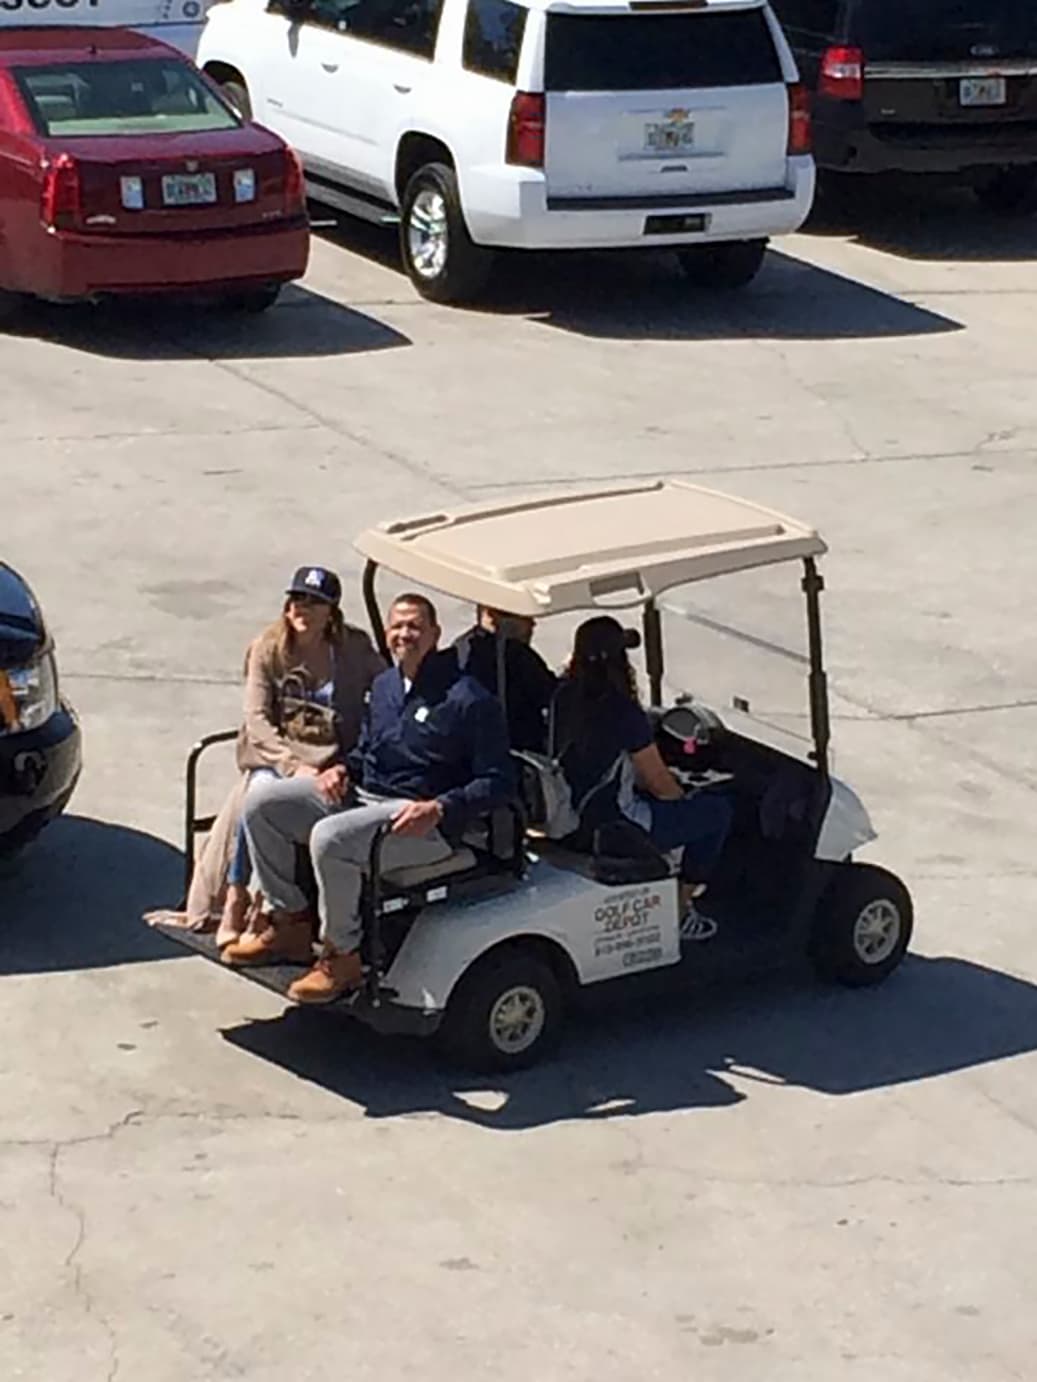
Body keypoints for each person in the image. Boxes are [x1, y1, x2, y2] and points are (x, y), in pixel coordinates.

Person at [224, 592, 516, 1002]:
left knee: (330, 838)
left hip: (423, 820)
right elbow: (366, 751)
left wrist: (441, 807)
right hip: (365, 798)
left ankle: (342, 955)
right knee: (262, 805)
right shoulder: (385, 687)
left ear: (435, 633)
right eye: (397, 626)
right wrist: (343, 769)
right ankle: (288, 921)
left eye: (415, 626)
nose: (404, 634)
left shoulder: (468, 698)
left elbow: (499, 780)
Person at [145, 566, 384, 949]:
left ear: (331, 612)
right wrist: (291, 764)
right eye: (296, 599)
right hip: (278, 756)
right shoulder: (269, 648)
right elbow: (256, 719)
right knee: (259, 796)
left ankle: (272, 909)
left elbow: (386, 685)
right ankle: (238, 898)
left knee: (299, 802)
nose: (302, 609)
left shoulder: (353, 648)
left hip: (333, 758)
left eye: (314, 602)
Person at [552, 616, 732, 908]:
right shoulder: (622, 712)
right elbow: (660, 785)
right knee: (716, 811)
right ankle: (682, 907)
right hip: (615, 826)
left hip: (569, 816)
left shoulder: (563, 696)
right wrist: (688, 794)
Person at [454, 606, 557, 752]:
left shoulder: (460, 646)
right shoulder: (516, 654)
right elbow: (551, 696)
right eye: (524, 618)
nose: (532, 625)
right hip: (516, 750)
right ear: (491, 615)